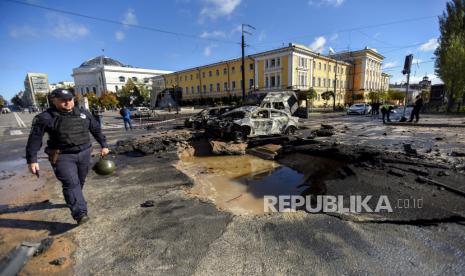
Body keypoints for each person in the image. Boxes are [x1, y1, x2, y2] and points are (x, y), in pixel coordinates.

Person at [26, 89, 109, 225]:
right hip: (62, 156)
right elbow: (35, 138)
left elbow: (95, 129)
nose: (68, 103)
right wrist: (32, 159)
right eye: (63, 100)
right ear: (54, 101)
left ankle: (74, 199)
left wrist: (104, 144)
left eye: (70, 99)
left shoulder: (83, 113)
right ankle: (80, 213)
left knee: (80, 181)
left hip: (84, 153)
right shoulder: (45, 117)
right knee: (71, 183)